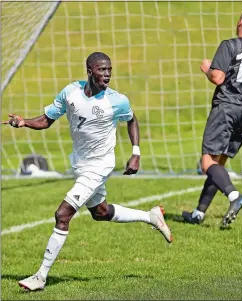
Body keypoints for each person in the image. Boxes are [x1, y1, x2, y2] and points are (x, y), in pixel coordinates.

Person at [2, 52, 173, 291]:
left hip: (100, 165)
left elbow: (132, 119)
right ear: (89, 71)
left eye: (109, 70)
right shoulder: (70, 92)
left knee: (62, 214)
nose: (107, 75)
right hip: (80, 164)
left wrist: (136, 152)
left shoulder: (117, 100)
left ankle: (40, 277)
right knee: (100, 212)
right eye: (102, 70)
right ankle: (151, 216)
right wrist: (23, 122)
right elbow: (47, 119)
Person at [182, 7, 242, 227]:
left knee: (207, 162)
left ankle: (234, 196)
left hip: (226, 107)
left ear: (239, 22)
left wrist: (207, 69)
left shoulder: (229, 45)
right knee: (220, 163)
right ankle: (199, 213)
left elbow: (217, 78)